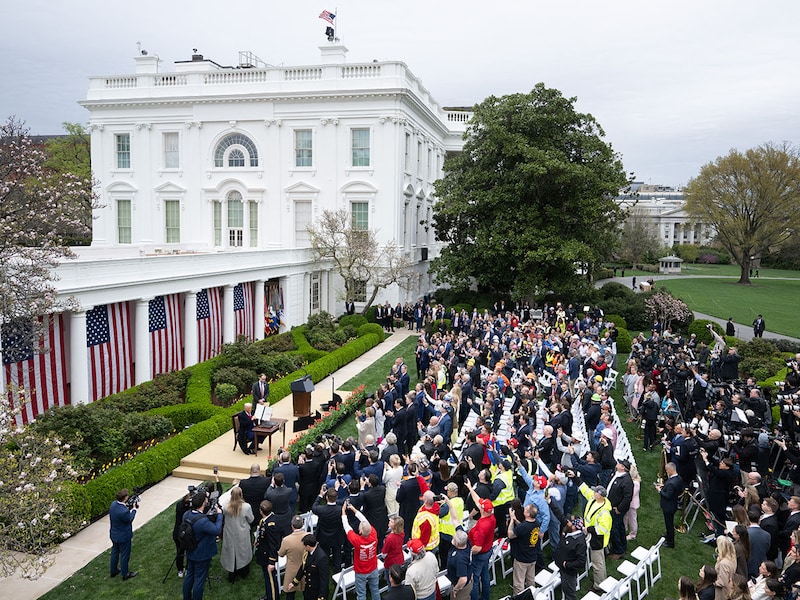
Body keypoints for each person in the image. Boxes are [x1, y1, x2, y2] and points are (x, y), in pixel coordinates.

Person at [183, 491, 224, 600]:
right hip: (201, 554)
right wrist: (219, 515)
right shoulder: (203, 522)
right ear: (202, 504)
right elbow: (217, 529)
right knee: (199, 580)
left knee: (189, 577)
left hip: (190, 550)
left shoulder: (186, 514)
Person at [342, 501, 380, 600]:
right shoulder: (373, 534)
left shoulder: (357, 540)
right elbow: (365, 520)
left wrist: (343, 511)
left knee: (361, 594)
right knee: (375, 590)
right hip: (373, 568)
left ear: (360, 531)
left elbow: (347, 527)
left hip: (361, 572)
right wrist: (353, 509)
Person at [220, 485, 254, 582]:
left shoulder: (226, 507)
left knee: (231, 552)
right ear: (241, 495)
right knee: (242, 552)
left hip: (230, 532)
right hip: (241, 533)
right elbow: (251, 519)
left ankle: (232, 574)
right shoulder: (246, 507)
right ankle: (243, 572)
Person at [507, 502, 541, 596]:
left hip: (522, 559)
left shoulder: (523, 527)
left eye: (525, 510)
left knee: (519, 584)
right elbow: (522, 528)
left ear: (528, 514)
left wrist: (511, 521)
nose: (524, 510)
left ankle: (519, 598)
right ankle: (532, 596)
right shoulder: (536, 522)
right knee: (531, 580)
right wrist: (515, 519)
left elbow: (510, 534)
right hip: (532, 556)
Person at [468, 498, 496, 600]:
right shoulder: (492, 517)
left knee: (474, 579)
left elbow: (478, 548)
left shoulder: (482, 526)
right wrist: (470, 488)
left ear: (483, 510)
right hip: (488, 550)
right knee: (485, 575)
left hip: (480, 554)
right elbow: (477, 500)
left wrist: (468, 552)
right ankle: (485, 597)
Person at [553, 517, 587, 600]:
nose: (568, 523)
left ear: (574, 527)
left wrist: (567, 565)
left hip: (568, 572)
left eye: (570, 523)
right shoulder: (569, 534)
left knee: (570, 595)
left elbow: (581, 562)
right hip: (562, 568)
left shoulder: (579, 543)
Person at [287, 534, 329, 600]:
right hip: (308, 590)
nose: (303, 547)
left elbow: (324, 580)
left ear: (308, 546)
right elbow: (303, 568)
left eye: (304, 545)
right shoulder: (307, 553)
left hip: (316, 592)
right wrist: (294, 582)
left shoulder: (321, 558)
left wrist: (322, 596)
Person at [255, 499, 281, 600]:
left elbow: (274, 544)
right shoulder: (266, 520)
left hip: (268, 557)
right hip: (263, 552)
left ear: (261, 511)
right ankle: (269, 595)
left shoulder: (271, 526)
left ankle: (273, 597)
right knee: (267, 578)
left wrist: (271, 561)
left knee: (270, 580)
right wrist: (258, 540)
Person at [109, 488, 138, 580]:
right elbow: (129, 519)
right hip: (123, 536)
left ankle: (113, 571)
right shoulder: (123, 511)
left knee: (115, 552)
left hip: (114, 534)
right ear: (125, 498)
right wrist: (134, 510)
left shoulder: (113, 505)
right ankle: (125, 574)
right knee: (125, 555)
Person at [279, 516, 309, 600]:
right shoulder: (309, 536)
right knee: (307, 593)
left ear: (292, 525)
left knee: (290, 594)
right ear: (303, 524)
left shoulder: (286, 540)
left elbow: (281, 554)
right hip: (306, 569)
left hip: (292, 571)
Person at [657, 462, 685, 549]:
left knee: (669, 524)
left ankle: (670, 542)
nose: (666, 472)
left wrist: (660, 490)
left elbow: (668, 496)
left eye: (666, 470)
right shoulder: (678, 478)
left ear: (670, 470)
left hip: (668, 506)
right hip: (673, 504)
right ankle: (668, 535)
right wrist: (664, 486)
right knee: (668, 523)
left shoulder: (672, 483)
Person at [447, 529, 474, 600]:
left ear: (458, 544)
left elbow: (463, 579)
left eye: (454, 539)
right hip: (468, 577)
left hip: (462, 587)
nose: (453, 539)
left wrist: (455, 589)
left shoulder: (460, 559)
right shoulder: (466, 543)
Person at [715, 535, 738, 600]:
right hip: (729, 589)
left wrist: (710, 581)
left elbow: (722, 582)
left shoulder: (723, 564)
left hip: (722, 592)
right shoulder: (733, 558)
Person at [625, 465, 641, 541]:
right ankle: (625, 528)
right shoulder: (633, 481)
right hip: (628, 503)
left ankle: (633, 534)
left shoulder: (635, 483)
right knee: (625, 516)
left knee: (632, 519)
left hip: (632, 504)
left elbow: (631, 494)